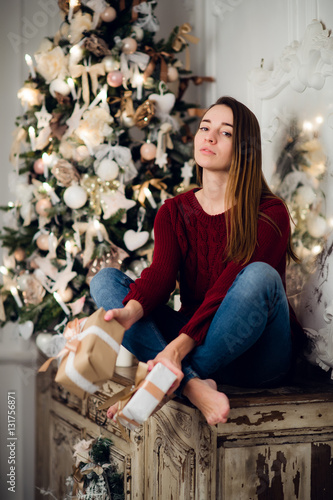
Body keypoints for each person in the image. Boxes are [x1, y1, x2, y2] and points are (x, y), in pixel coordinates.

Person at [90, 96, 303, 426]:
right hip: (196, 340)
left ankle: (169, 381)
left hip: (258, 355)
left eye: (226, 133)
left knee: (258, 276)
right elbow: (159, 279)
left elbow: (224, 290)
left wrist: (174, 352)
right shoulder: (173, 212)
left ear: (245, 148)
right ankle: (191, 386)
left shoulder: (270, 212)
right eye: (205, 127)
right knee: (104, 280)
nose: (210, 136)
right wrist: (129, 312)